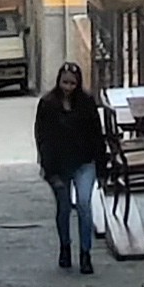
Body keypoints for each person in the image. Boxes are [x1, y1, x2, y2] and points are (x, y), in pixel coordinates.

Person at [34, 60, 108, 275]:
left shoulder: (86, 103)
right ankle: (65, 246)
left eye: (72, 83)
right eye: (65, 82)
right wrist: (49, 169)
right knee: (64, 207)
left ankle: (85, 253)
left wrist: (102, 168)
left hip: (84, 162)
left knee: (84, 205)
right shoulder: (48, 104)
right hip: (59, 165)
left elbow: (97, 136)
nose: (68, 87)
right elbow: (42, 137)